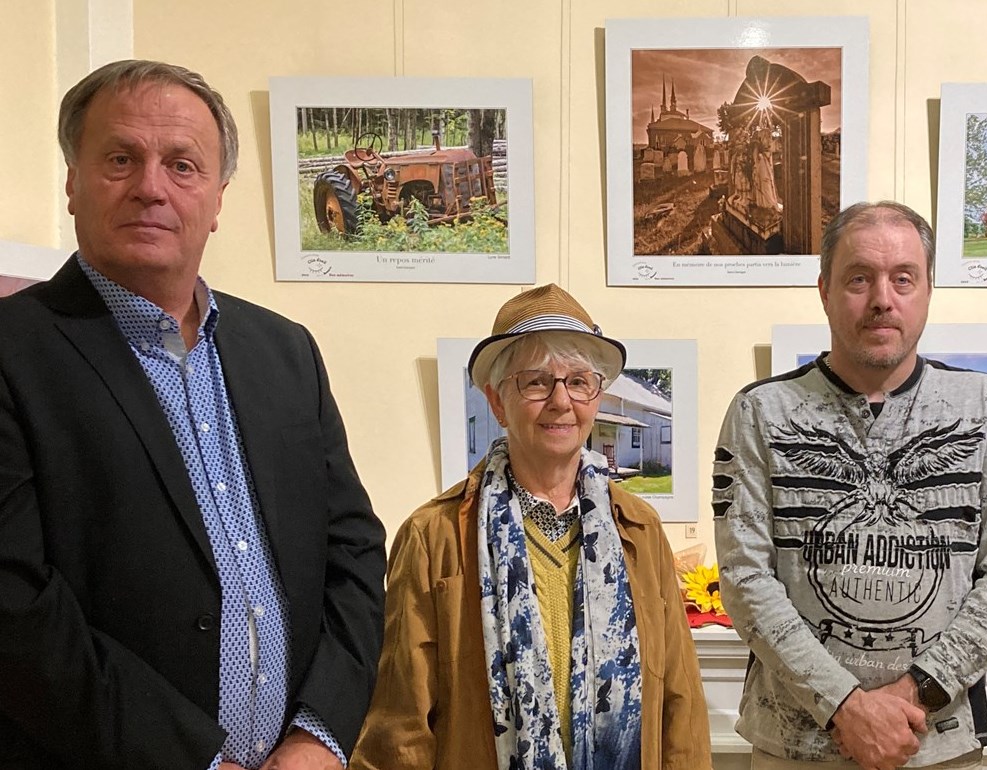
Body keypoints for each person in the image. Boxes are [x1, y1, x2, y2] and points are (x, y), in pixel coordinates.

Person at [0, 60, 386, 769]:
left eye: (183, 165)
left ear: (216, 198)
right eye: (121, 158)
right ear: (71, 183)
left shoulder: (284, 351)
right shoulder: (12, 352)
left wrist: (320, 736)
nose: (152, 187)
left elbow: (354, 552)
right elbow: (12, 606)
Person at [713, 201, 987, 769]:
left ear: (929, 290)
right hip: (793, 746)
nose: (882, 299)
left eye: (903, 278)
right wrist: (843, 705)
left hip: (936, 741)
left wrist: (914, 694)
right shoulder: (759, 411)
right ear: (824, 289)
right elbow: (745, 578)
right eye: (859, 278)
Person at [351, 284, 710, 770]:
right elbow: (402, 724)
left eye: (579, 381)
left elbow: (680, 704)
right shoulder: (434, 535)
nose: (562, 401)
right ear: (497, 402)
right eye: (536, 382)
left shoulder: (638, 528)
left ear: (596, 396)